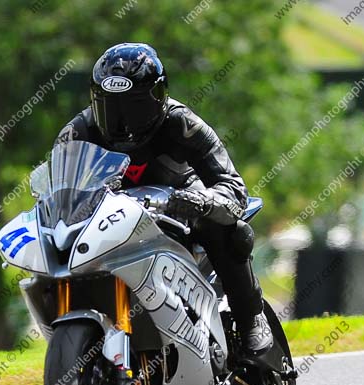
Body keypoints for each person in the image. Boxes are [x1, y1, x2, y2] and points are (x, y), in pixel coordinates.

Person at [54, 43, 272, 355]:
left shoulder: (182, 124)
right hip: (112, 220)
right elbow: (59, 192)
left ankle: (251, 317)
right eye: (111, 108)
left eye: (134, 107)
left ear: (158, 98)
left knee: (227, 230)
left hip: (179, 209)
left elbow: (233, 187)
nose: (122, 122)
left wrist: (202, 203)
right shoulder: (77, 133)